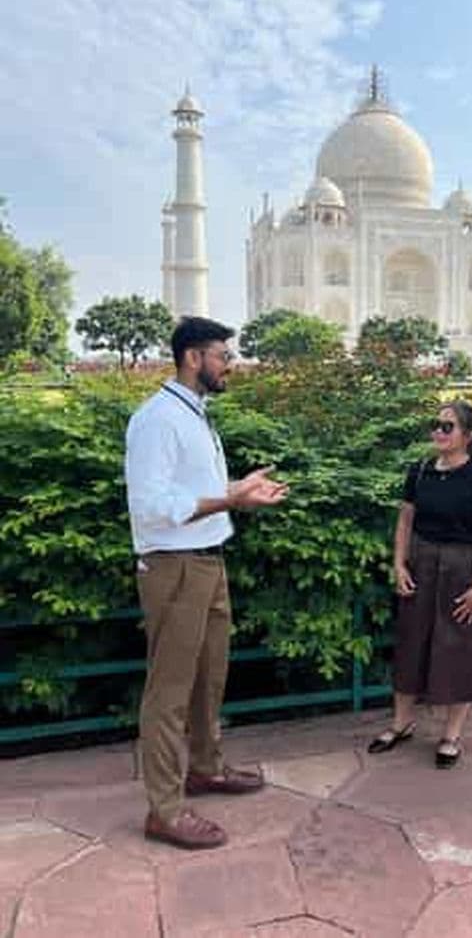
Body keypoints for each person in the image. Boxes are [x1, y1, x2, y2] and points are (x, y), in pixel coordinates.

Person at [125, 316, 288, 850]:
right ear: (193, 357)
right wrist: (230, 499)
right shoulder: (157, 420)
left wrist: (237, 490)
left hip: (207, 562)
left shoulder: (193, 415)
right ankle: (165, 810)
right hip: (173, 567)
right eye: (222, 355)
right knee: (169, 692)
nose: (229, 364)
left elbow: (191, 491)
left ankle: (205, 768)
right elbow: (152, 508)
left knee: (209, 678)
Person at [368, 400, 472, 768]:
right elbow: (404, 522)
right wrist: (399, 564)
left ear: (468, 436)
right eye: (436, 424)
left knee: (458, 647)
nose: (439, 432)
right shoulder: (420, 471)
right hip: (422, 565)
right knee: (411, 643)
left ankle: (451, 734)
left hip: (464, 570)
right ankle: (401, 723)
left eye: (448, 427)